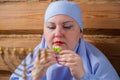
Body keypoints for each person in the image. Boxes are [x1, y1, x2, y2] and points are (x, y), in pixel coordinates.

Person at [10, 1, 120, 80]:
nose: (58, 34)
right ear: (44, 33)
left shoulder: (96, 61)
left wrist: (84, 77)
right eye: (51, 27)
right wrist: (34, 77)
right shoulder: (33, 58)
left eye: (67, 27)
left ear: (80, 32)